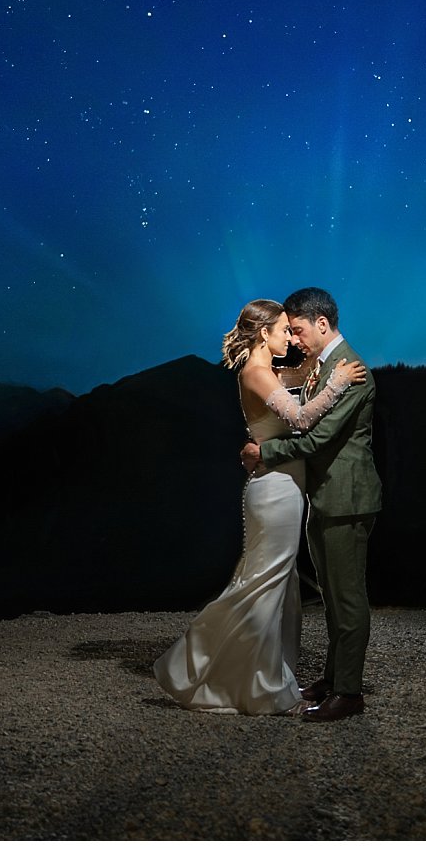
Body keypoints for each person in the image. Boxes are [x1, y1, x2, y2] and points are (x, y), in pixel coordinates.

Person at [154, 299, 366, 714]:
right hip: (276, 489)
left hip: (283, 485)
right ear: (264, 333)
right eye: (285, 330)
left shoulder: (270, 371)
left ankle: (271, 680)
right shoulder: (256, 373)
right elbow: (302, 419)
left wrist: (323, 364)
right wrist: (338, 382)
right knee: (263, 583)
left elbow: (304, 372)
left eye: (293, 330)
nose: (291, 337)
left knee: (281, 587)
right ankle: (197, 666)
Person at [240, 286, 380, 722]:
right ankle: (332, 678)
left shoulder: (351, 370)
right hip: (324, 497)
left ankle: (349, 694)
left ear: (322, 324)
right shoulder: (322, 367)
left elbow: (316, 436)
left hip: (347, 498)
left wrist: (264, 454)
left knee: (348, 598)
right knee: (333, 597)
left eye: (298, 330)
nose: (295, 340)